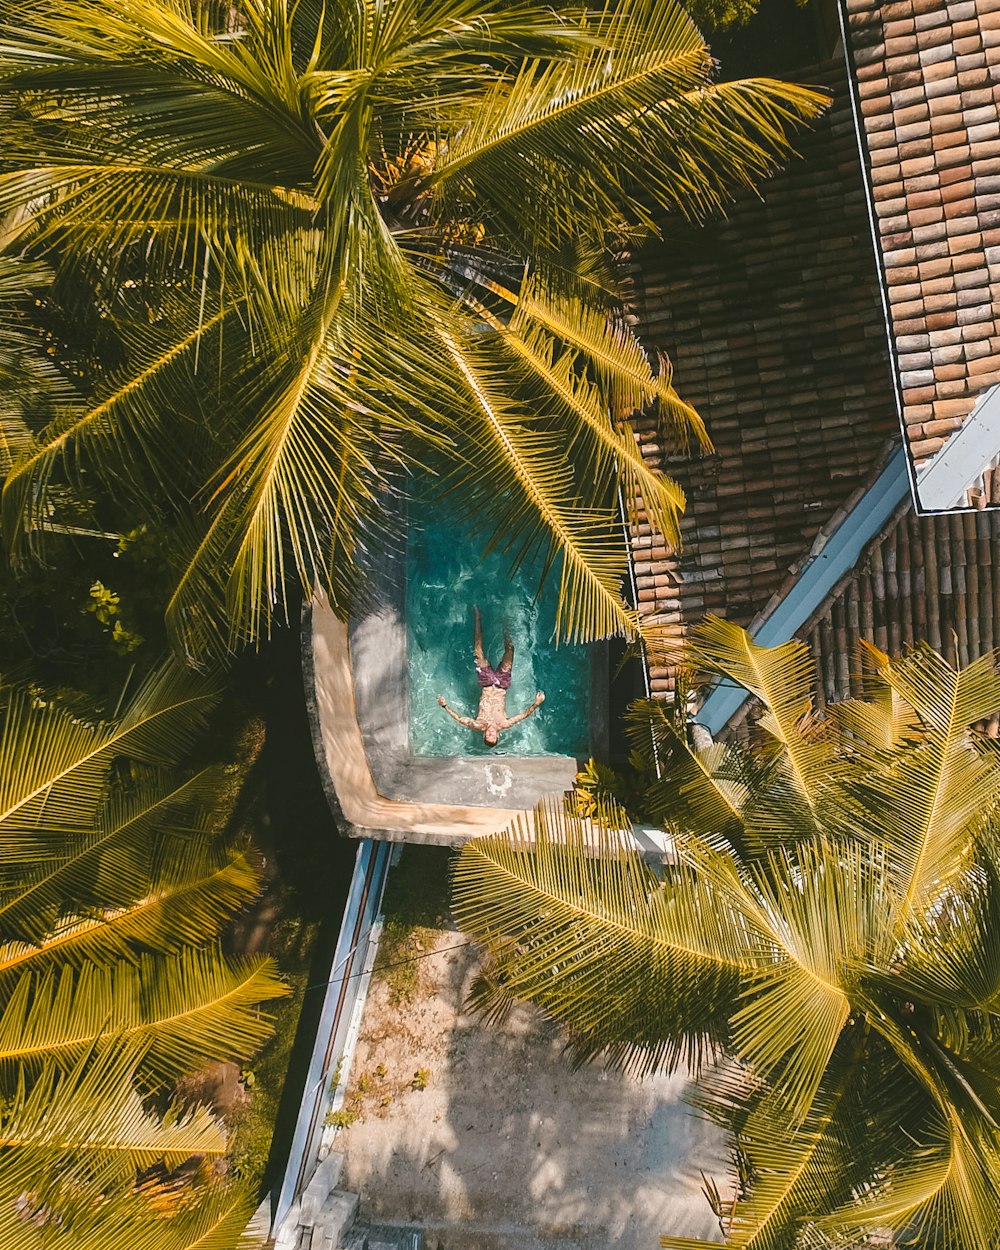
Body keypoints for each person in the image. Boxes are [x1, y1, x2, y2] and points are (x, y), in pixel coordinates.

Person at [437, 606, 545, 748]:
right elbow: (523, 715)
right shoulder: (504, 724)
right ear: (498, 735)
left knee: (478, 651)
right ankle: (505, 623)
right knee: (510, 650)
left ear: (484, 734)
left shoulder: (479, 724)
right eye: (493, 736)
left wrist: (445, 706)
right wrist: (536, 704)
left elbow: (460, 719)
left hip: (487, 682)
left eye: (488, 735)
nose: (491, 733)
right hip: (502, 683)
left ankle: (478, 618)